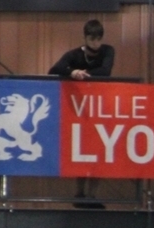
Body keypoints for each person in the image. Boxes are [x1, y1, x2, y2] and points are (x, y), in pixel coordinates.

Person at [48, 19, 114, 210]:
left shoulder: (108, 51)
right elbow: (54, 69)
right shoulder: (74, 54)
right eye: (92, 39)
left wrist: (84, 74)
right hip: (78, 110)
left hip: (100, 108)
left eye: (99, 39)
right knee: (81, 151)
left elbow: (105, 71)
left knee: (99, 152)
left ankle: (92, 196)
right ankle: (79, 193)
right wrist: (72, 72)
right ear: (85, 38)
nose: (96, 43)